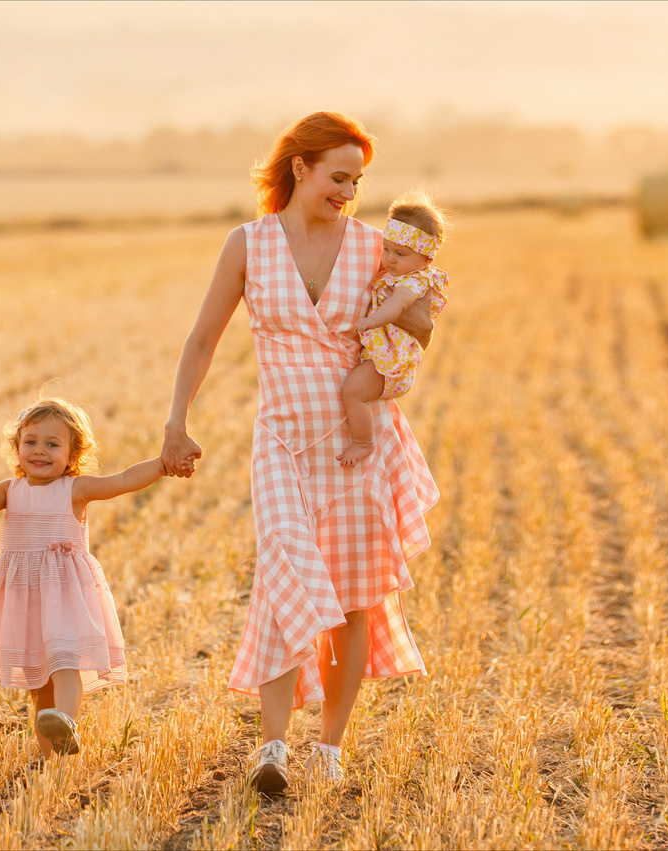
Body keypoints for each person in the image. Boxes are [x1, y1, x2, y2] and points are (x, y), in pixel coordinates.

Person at [160, 112, 444, 795]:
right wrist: (177, 419)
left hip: (357, 445)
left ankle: (330, 747)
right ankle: (273, 745)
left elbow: (424, 323)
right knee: (284, 573)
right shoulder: (249, 245)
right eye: (338, 177)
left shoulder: (376, 246)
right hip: (283, 439)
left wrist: (412, 309)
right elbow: (202, 340)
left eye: (358, 180)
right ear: (300, 168)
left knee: (353, 600)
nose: (349, 191)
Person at [0, 399, 167, 756]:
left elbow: (124, 480)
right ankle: (52, 758)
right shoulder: (9, 491)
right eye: (30, 441)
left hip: (64, 594)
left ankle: (67, 720)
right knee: (39, 684)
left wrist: (162, 464)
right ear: (16, 447)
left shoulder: (75, 490)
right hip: (26, 598)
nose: (39, 451)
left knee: (65, 661)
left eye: (52, 444)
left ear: (73, 453)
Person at [336, 193, 451, 467]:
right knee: (355, 390)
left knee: (353, 392)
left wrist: (372, 320)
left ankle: (363, 442)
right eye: (387, 249)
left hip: (391, 362)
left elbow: (397, 306)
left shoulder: (414, 281)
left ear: (426, 260)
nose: (390, 259)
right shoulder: (399, 273)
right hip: (384, 357)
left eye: (400, 254)